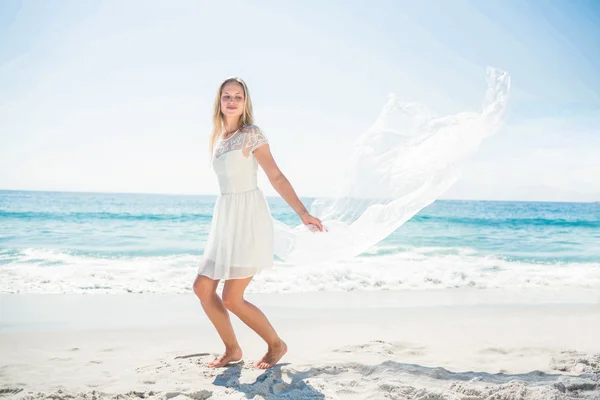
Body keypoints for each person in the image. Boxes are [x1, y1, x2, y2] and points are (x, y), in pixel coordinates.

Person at [193, 77, 325, 369]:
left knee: (232, 298)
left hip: (248, 218)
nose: (231, 101)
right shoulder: (219, 138)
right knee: (203, 288)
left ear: (245, 102)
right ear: (219, 101)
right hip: (225, 218)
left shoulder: (251, 134)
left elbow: (275, 175)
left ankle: (276, 345)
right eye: (226, 96)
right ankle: (233, 350)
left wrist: (302, 213)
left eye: (237, 96)